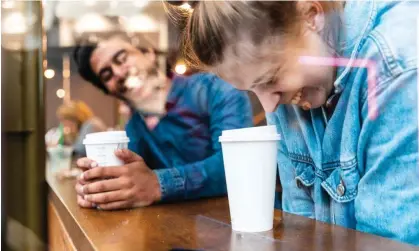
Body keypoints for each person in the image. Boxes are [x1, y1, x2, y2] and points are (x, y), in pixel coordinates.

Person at [173, 1, 419, 245]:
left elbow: (387, 243)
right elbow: (302, 232)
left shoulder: (398, 66)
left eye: (270, 79)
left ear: (311, 16)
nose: (269, 106)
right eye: (252, 89)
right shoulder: (284, 93)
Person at [72, 36, 253, 210]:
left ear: (148, 52)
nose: (118, 73)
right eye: (107, 75)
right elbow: (129, 179)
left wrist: (158, 184)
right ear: (110, 91)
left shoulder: (216, 89)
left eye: (121, 58)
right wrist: (96, 187)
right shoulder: (135, 127)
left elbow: (239, 165)